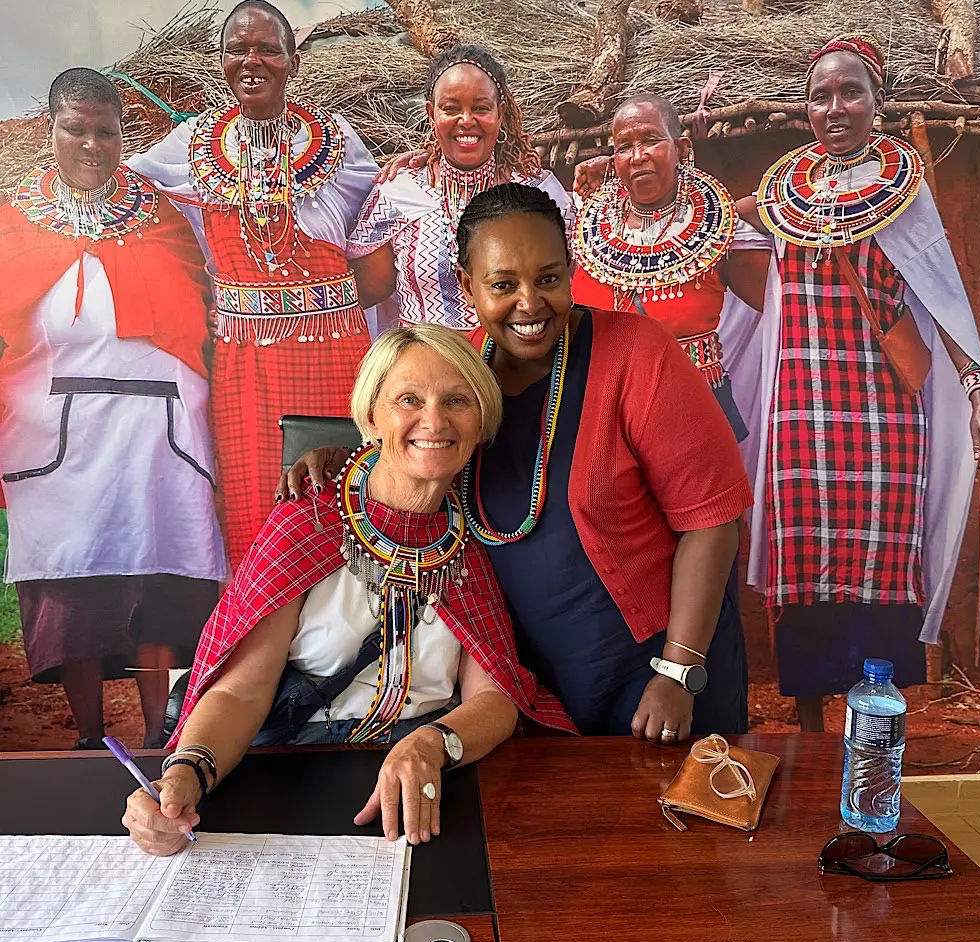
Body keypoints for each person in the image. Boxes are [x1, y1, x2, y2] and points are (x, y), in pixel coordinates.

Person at [281, 183, 754, 743]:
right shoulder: (458, 370)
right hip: (525, 679)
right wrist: (345, 456)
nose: (529, 304)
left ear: (571, 271)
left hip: (653, 668)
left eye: (548, 279)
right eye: (503, 285)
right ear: (467, 286)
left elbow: (711, 520)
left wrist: (678, 669)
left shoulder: (638, 355)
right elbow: (415, 452)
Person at [122, 324, 576, 855]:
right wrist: (187, 774)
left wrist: (432, 744)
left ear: (481, 422)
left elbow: (495, 697)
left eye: (457, 400)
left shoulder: (478, 536)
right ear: (372, 416)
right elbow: (240, 691)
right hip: (297, 776)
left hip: (430, 781)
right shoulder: (307, 521)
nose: (435, 420)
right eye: (409, 399)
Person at [739, 35, 980, 731]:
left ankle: (877, 733)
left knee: (883, 569)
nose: (836, 108)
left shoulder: (902, 192)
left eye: (850, 92)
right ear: (806, 109)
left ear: (876, 103)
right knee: (802, 569)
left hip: (885, 421)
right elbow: (712, 224)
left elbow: (944, 298)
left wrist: (979, 393)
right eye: (820, 96)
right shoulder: (785, 194)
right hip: (799, 418)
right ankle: (812, 738)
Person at [0, 69, 226, 749]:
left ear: (123, 134)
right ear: (51, 130)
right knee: (75, 581)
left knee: (159, 573)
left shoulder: (165, 216)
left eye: (105, 131)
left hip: (157, 428)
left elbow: (208, 306)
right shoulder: (14, 222)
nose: (91, 144)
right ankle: (90, 736)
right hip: (54, 430)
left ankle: (158, 731)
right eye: (76, 129)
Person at [129, 0, 378, 570]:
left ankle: (347, 627)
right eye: (237, 49)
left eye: (267, 49)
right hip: (246, 363)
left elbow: (379, 220)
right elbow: (128, 182)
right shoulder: (192, 144)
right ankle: (259, 626)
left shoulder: (337, 139)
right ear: (220, 61)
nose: (251, 61)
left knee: (345, 506)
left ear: (293, 61)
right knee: (255, 512)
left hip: (335, 355)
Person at [571, 93, 771, 443]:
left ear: (680, 148)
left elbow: (784, 304)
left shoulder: (718, 231)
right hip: (602, 419)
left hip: (691, 421)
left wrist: (749, 209)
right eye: (624, 147)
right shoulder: (586, 225)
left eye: (651, 140)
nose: (638, 156)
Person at [347, 44, 573, 334]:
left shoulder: (540, 194)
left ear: (500, 113)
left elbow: (568, 286)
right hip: (428, 358)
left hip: (518, 358)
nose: (466, 121)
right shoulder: (398, 193)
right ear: (431, 114)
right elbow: (366, 293)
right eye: (451, 109)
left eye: (481, 108)